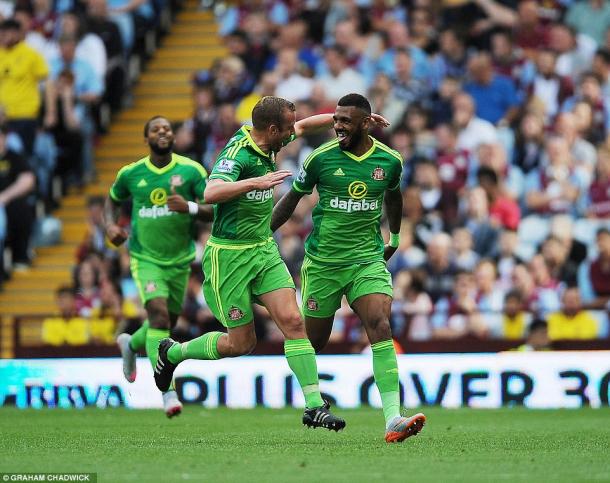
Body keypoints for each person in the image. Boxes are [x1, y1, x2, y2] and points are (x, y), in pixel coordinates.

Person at [154, 97, 366, 430]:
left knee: (293, 321)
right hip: (230, 256)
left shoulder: (271, 137)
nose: (291, 135)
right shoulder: (238, 153)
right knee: (241, 344)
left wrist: (346, 120)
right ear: (271, 129)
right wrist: (255, 183)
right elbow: (211, 192)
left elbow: (305, 125)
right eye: (286, 130)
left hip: (263, 250)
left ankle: (314, 406)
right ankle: (173, 353)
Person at [271, 93, 426, 443]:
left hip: (366, 260)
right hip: (323, 264)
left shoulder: (389, 160)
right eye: (335, 119)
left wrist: (396, 236)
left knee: (380, 324)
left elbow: (394, 196)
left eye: (345, 121)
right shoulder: (319, 159)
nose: (337, 126)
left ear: (366, 123)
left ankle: (393, 419)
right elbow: (292, 200)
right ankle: (313, 401)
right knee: (313, 341)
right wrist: (263, 234)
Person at [105, 116, 213, 418]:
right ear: (146, 138)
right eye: (155, 129)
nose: (162, 132)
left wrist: (190, 207)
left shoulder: (191, 171)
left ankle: (130, 345)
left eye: (166, 128)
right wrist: (110, 226)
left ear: (173, 137)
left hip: (179, 261)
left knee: (165, 323)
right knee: (159, 315)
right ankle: (167, 392)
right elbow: (111, 201)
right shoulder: (131, 174)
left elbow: (213, 209)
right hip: (145, 258)